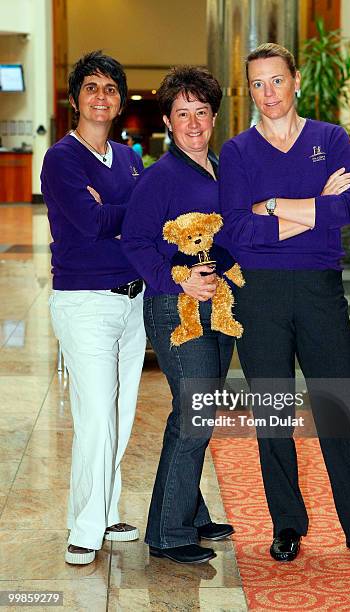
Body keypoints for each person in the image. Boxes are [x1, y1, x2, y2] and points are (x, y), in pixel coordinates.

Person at [219, 43, 350, 564]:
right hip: (258, 295)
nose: (268, 94)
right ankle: (287, 524)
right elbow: (238, 231)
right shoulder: (237, 151)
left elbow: (347, 207)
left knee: (339, 407)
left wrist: (274, 206)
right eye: (257, 84)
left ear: (297, 79)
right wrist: (313, 210)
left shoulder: (329, 139)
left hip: (320, 290)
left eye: (276, 81)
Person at [121, 66, 235, 565]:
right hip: (175, 308)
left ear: (213, 118)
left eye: (202, 113)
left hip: (219, 307)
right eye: (183, 113)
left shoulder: (222, 168)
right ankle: (168, 532)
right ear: (167, 120)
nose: (193, 123)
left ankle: (191, 509)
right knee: (194, 413)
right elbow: (136, 243)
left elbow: (233, 234)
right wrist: (180, 279)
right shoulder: (160, 177)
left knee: (202, 408)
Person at [41, 51, 146, 565]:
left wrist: (117, 213)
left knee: (121, 415)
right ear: (75, 98)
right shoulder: (61, 158)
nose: (101, 96)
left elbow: (140, 222)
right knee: (97, 417)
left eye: (110, 88)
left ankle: (105, 509)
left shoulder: (129, 158)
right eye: (92, 87)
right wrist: (122, 215)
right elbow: (88, 224)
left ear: (120, 101)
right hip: (84, 302)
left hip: (134, 300)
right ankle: (83, 527)